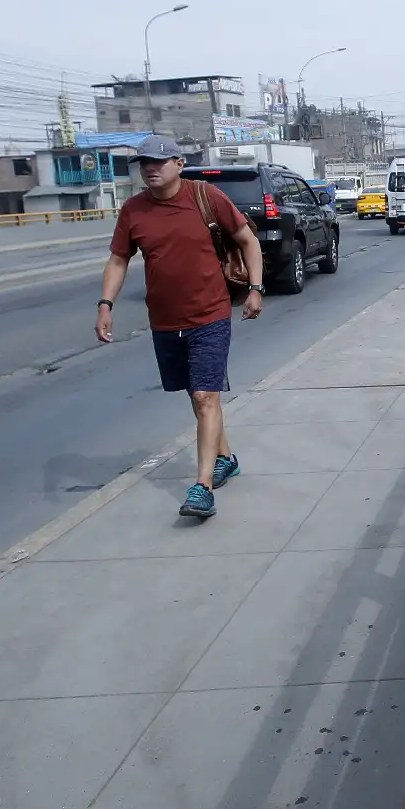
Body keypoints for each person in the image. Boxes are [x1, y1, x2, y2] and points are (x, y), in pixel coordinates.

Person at [96, 135, 265, 520]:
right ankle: (225, 459)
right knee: (197, 395)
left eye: (158, 162)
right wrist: (106, 304)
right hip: (165, 320)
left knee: (205, 396)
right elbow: (119, 259)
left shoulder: (206, 197)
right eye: (144, 163)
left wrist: (256, 289)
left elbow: (247, 240)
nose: (150, 169)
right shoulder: (134, 210)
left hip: (210, 314)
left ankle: (202, 487)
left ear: (178, 163)